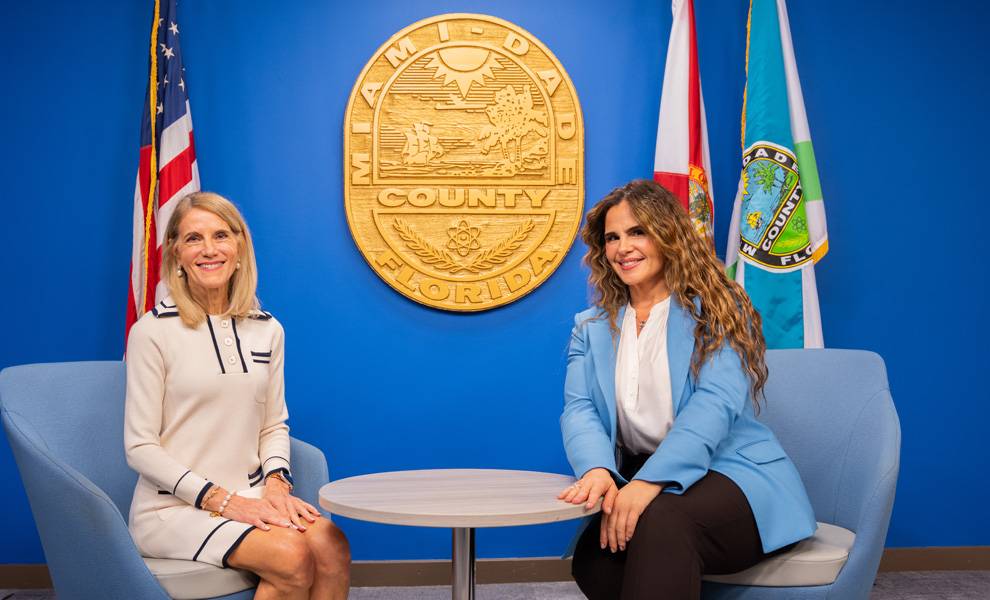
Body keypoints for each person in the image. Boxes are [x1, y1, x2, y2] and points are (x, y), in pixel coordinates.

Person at [558, 180, 816, 599]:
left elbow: (713, 406)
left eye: (637, 231)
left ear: (668, 234)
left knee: (661, 524)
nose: (624, 247)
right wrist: (598, 470)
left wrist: (647, 485)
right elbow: (580, 408)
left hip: (732, 475)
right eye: (612, 237)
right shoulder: (589, 328)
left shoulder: (717, 309)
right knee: (596, 557)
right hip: (641, 476)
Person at [125, 192, 350, 599]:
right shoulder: (151, 332)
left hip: (252, 495)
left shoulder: (268, 329)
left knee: (331, 546)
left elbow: (274, 424)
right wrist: (225, 502)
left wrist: (277, 486)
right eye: (193, 239)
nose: (209, 249)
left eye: (221, 235)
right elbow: (139, 447)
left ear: (239, 248)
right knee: (291, 555)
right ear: (176, 253)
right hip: (172, 510)